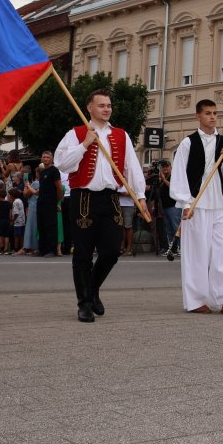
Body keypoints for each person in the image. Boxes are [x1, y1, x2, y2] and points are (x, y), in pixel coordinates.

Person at [54, 89, 149, 322]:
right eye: (101, 105)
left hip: (111, 197)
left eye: (108, 105)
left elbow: (132, 168)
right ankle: (84, 303)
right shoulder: (75, 133)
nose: (107, 108)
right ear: (90, 108)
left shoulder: (120, 135)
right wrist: (84, 144)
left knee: (112, 250)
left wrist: (141, 196)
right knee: (83, 254)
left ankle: (92, 289)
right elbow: (62, 163)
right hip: (83, 197)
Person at [167, 99, 223, 314]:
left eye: (215, 113)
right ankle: (196, 300)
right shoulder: (187, 143)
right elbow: (179, 175)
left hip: (219, 204)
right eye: (208, 113)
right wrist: (185, 203)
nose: (212, 116)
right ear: (198, 116)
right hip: (196, 203)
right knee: (196, 253)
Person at [36, 151, 62, 258]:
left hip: (50, 202)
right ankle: (42, 249)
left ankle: (52, 250)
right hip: (41, 201)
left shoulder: (54, 171)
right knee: (41, 226)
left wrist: (57, 202)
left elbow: (59, 188)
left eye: (47, 157)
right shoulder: (42, 172)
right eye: (44, 157)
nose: (45, 159)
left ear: (51, 159)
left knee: (50, 226)